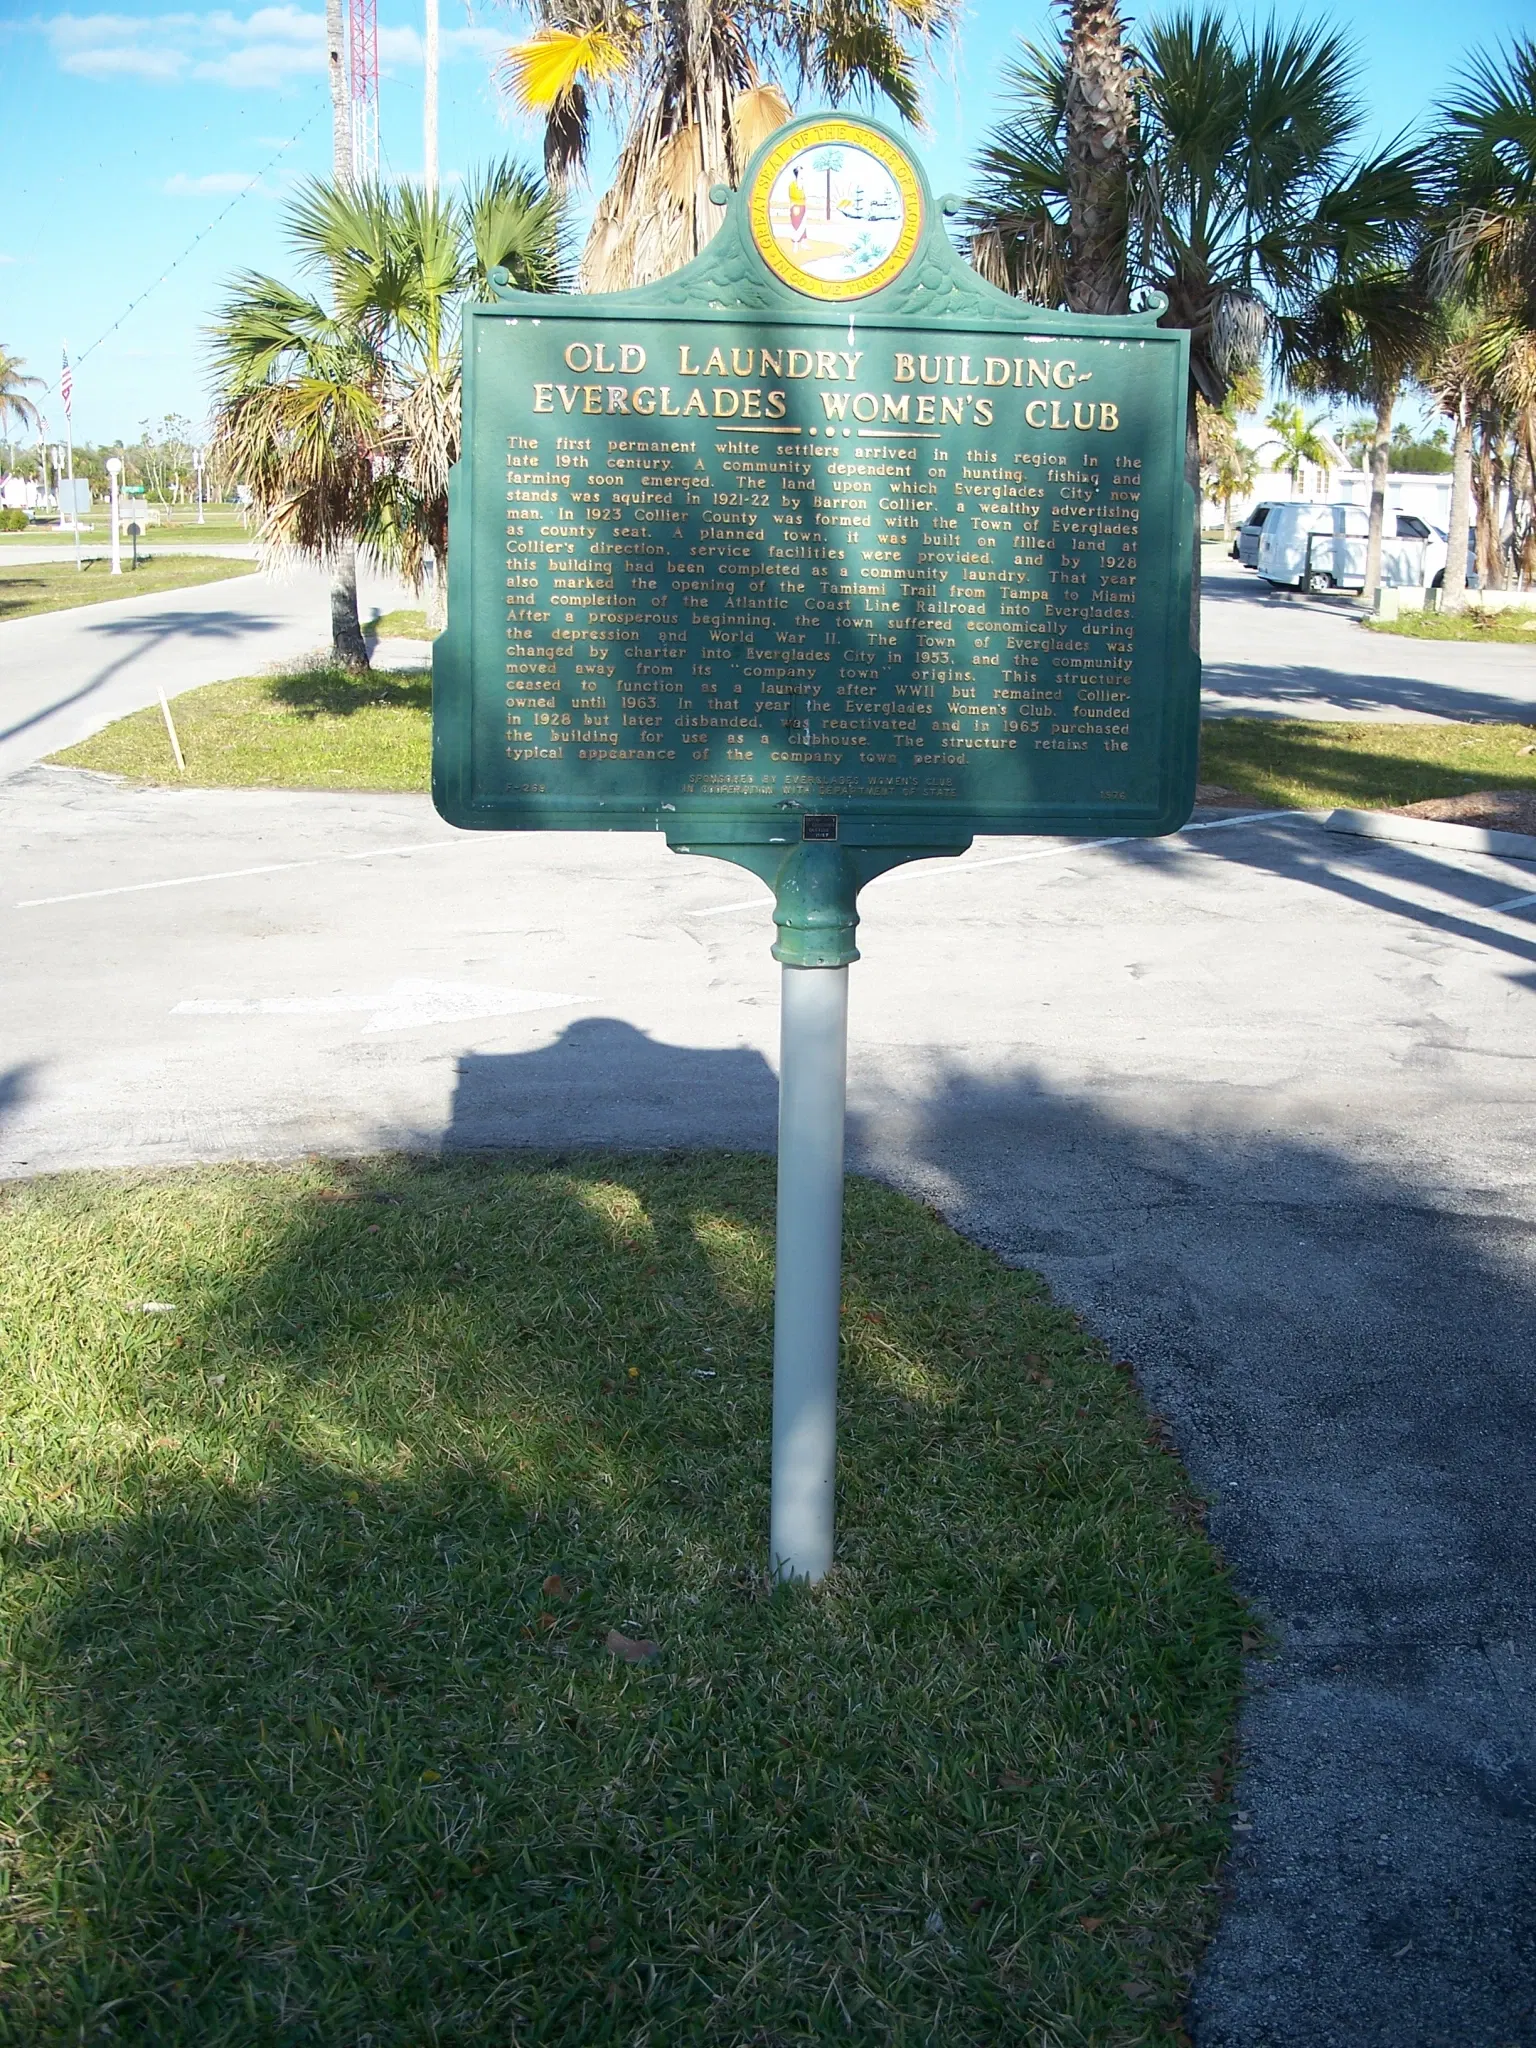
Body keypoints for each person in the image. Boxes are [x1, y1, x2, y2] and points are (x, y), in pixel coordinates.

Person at [787, 164, 807, 248]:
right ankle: (795, 244)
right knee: (796, 225)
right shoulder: (792, 185)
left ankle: (803, 242)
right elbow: (793, 196)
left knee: (803, 225)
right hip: (795, 206)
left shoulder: (802, 184)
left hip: (803, 206)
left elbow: (804, 196)